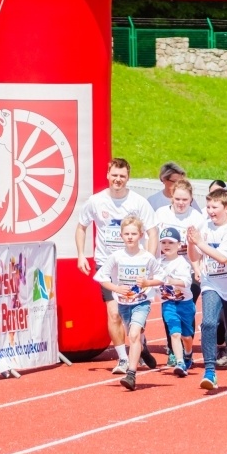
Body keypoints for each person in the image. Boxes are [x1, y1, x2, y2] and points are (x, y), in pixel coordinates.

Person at [76, 158, 158, 374]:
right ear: (108, 175)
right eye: (114, 175)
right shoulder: (96, 201)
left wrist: (148, 261)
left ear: (128, 177)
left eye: (122, 176)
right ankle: (123, 359)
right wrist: (81, 255)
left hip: (134, 266)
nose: (118, 179)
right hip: (107, 264)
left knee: (130, 314)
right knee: (114, 313)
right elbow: (81, 227)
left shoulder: (138, 202)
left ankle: (140, 344)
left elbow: (152, 232)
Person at [188, 188, 227, 390]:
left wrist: (199, 242)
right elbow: (195, 255)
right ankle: (210, 371)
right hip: (211, 282)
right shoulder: (203, 225)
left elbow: (223, 257)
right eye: (208, 207)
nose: (210, 211)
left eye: (215, 207)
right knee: (208, 323)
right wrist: (191, 243)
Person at [93, 215, 164, 390]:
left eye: (133, 234)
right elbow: (101, 277)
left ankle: (131, 374)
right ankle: (143, 349)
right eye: (126, 234)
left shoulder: (147, 257)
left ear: (141, 235)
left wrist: (147, 282)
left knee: (133, 335)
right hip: (124, 304)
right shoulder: (116, 256)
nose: (130, 237)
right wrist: (116, 288)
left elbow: (161, 277)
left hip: (141, 303)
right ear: (121, 236)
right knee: (134, 336)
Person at [154, 179, 205, 366]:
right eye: (177, 199)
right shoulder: (161, 214)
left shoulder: (197, 218)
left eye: (185, 199)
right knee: (169, 306)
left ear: (191, 199)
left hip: (190, 269)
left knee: (186, 307)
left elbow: (201, 245)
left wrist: (198, 268)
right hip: (167, 268)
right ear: (171, 197)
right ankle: (174, 350)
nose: (181, 203)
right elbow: (153, 240)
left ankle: (187, 346)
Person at [156, 226, 196, 377]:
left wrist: (170, 280)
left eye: (171, 242)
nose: (166, 245)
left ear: (179, 245)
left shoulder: (182, 263)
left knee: (186, 337)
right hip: (168, 304)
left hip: (185, 304)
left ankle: (188, 353)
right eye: (163, 242)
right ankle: (180, 362)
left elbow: (186, 282)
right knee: (174, 333)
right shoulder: (158, 263)